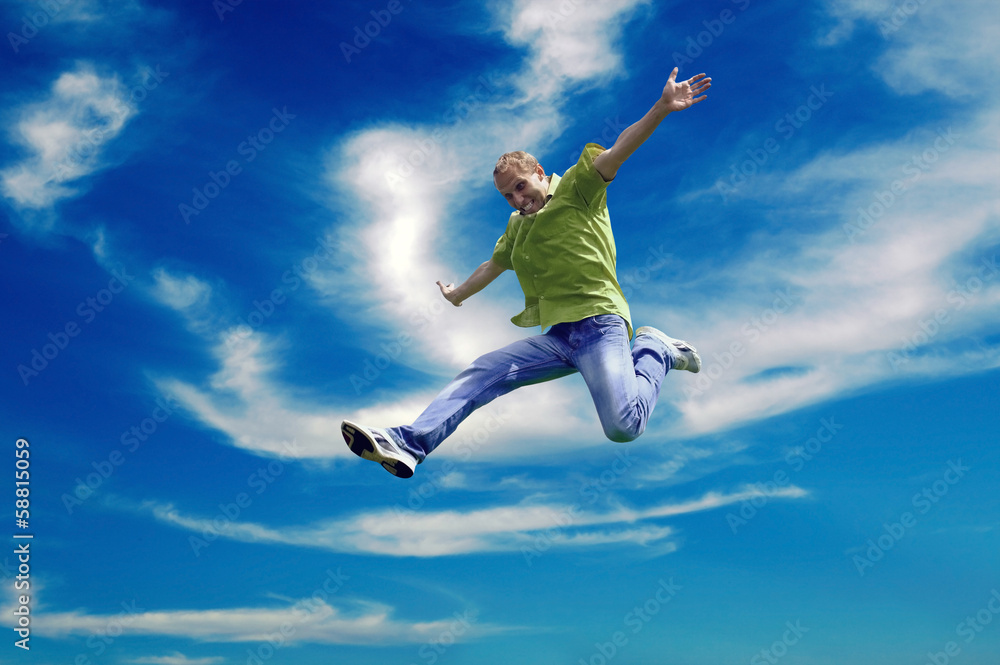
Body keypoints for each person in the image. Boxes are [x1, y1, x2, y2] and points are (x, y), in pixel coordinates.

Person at [342, 67, 711, 478]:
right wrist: (458, 294)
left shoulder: (578, 189)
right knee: (486, 370)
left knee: (623, 427)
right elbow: (495, 264)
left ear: (539, 172)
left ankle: (655, 351)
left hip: (601, 325)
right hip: (557, 337)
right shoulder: (517, 226)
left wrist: (661, 108)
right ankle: (410, 441)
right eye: (507, 196)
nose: (517, 199)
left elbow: (619, 150)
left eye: (520, 187)